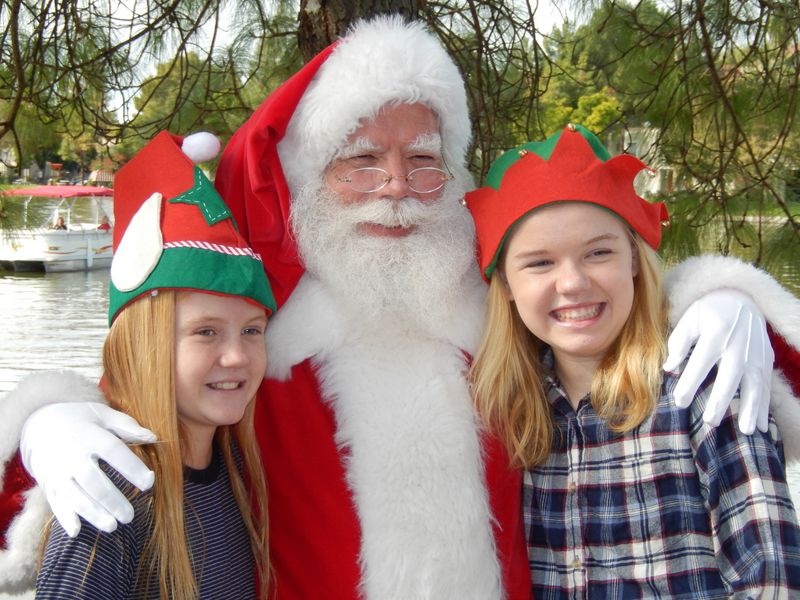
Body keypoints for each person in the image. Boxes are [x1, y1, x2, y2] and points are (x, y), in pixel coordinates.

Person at [0, 16, 798, 599]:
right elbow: (135, 407)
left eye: (423, 163)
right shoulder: (260, 341)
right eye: (360, 161)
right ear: (310, 175)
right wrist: (41, 426)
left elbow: (607, 303)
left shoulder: (503, 320)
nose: (394, 187)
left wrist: (722, 301)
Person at [468, 125, 800, 597]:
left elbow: (773, 580)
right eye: (539, 263)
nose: (572, 283)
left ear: (633, 261)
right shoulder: (506, 411)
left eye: (598, 252)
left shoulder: (707, 384)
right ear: (505, 287)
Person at [35, 131, 273, 599]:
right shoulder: (108, 502)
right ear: (145, 345)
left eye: (252, 330)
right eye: (206, 332)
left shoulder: (236, 470)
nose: (237, 356)